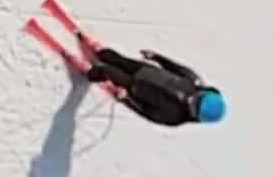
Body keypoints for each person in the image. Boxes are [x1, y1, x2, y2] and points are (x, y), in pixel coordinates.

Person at [84, 45, 226, 128]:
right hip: (144, 70)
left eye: (194, 106)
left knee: (108, 71)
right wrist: (156, 57)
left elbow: (146, 112)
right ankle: (99, 53)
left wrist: (127, 98)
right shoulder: (193, 80)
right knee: (119, 60)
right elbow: (174, 67)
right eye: (198, 98)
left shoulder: (175, 117)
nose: (191, 100)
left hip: (134, 88)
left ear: (197, 117)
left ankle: (90, 72)